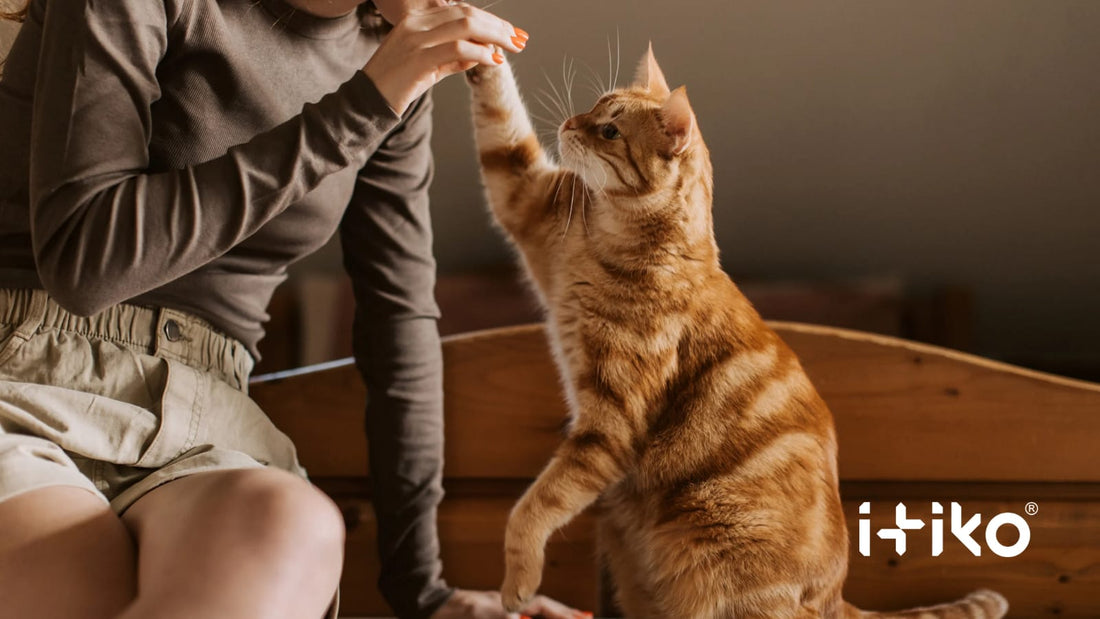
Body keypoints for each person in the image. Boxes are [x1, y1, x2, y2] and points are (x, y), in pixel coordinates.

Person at [0, 0, 584, 617]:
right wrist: (363, 105)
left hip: (212, 423)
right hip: (25, 382)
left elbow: (398, 324)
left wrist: (422, 592)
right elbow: (85, 263)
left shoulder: (390, 62)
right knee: (79, 578)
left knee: (292, 524)